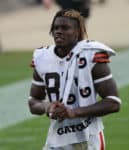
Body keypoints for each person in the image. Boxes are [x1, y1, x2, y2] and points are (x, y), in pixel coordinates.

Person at [28, 9, 121, 150]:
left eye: (65, 28)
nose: (58, 31)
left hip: (88, 137)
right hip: (57, 138)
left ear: (77, 32)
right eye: (56, 28)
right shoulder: (42, 58)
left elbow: (113, 103)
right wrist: (48, 107)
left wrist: (74, 112)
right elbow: (33, 102)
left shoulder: (91, 55)